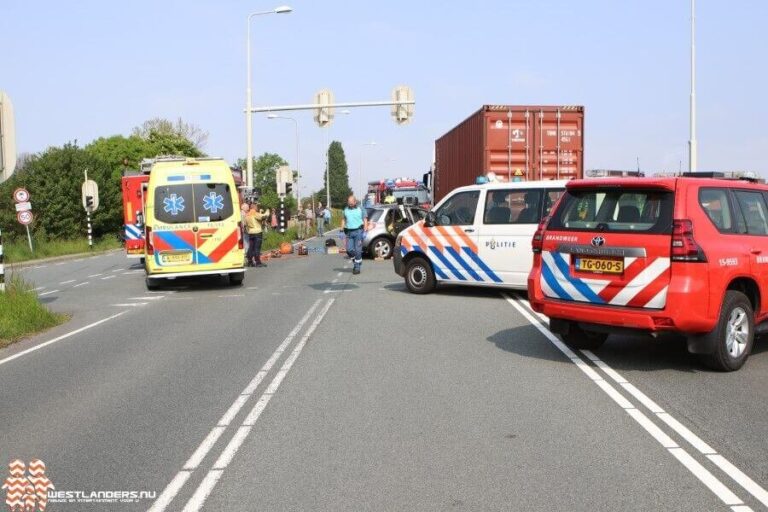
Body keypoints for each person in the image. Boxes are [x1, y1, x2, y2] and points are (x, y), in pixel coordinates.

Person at [341, 194, 368, 275]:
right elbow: (343, 220)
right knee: (349, 250)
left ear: (355, 202)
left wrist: (365, 230)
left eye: (351, 202)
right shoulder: (345, 209)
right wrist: (341, 230)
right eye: (349, 202)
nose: (350, 204)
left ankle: (357, 267)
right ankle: (357, 261)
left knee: (358, 250)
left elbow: (365, 219)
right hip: (349, 232)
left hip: (358, 231)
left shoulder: (361, 208)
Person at [245, 203, 269, 267]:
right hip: (257, 232)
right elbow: (263, 217)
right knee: (257, 248)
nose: (257, 208)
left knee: (251, 248)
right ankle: (258, 262)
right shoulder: (254, 213)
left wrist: (248, 231)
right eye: (256, 207)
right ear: (254, 207)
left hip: (250, 232)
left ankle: (250, 262)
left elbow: (246, 225)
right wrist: (267, 211)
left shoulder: (247, 215)